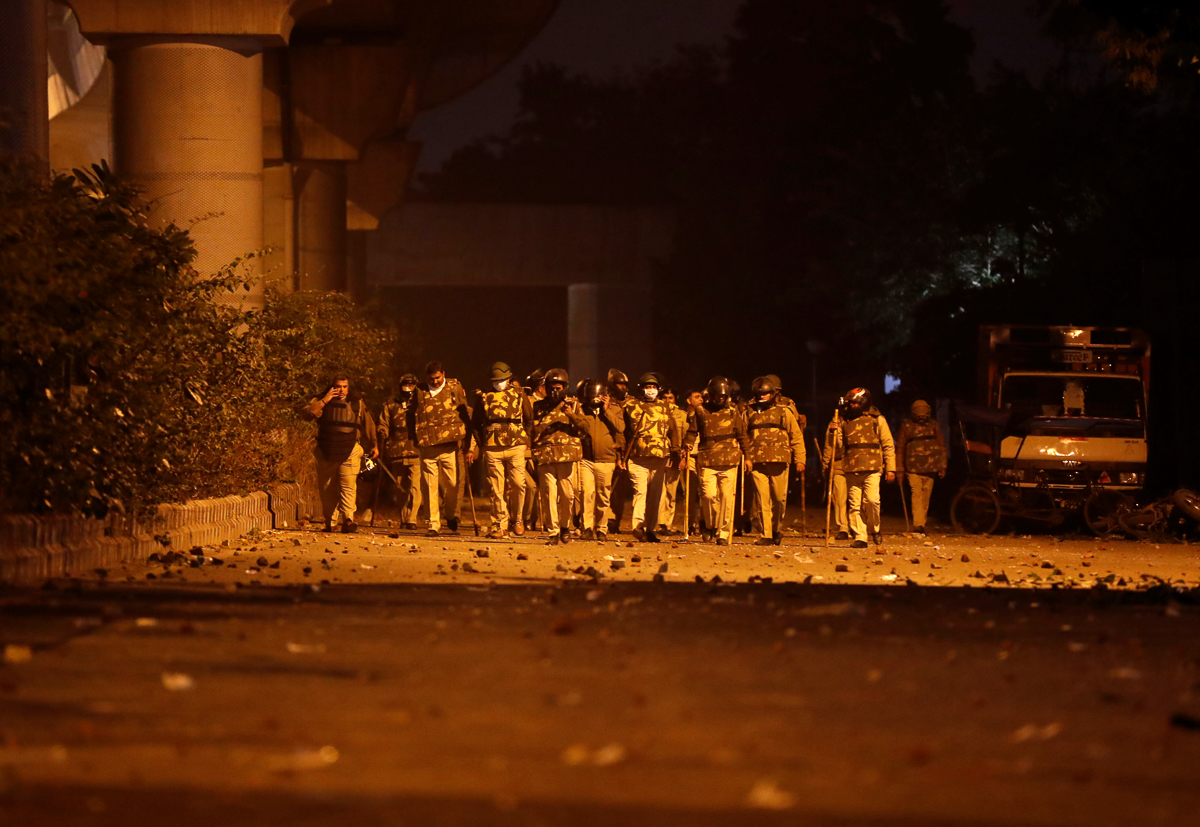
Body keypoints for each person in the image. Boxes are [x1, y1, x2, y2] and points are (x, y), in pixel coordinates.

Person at [305, 374, 377, 533]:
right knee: (327, 488)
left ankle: (348, 520)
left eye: (344, 387)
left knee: (348, 485)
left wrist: (375, 444)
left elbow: (369, 424)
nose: (341, 390)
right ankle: (330, 522)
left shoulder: (357, 403)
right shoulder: (320, 400)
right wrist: (325, 400)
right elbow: (309, 414)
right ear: (332, 387)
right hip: (326, 449)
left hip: (350, 448)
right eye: (338, 386)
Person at [409, 360, 473, 537]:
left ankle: (450, 514)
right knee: (429, 486)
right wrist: (413, 437)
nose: (435, 381)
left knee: (452, 484)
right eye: (431, 378)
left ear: (443, 374)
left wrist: (468, 440)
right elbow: (410, 415)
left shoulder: (454, 387)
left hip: (449, 445)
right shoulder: (419, 391)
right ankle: (433, 524)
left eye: (438, 378)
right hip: (427, 444)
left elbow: (464, 413)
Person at [686, 377, 750, 546]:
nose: (721, 399)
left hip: (729, 461)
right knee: (708, 496)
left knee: (727, 499)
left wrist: (748, 457)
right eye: (718, 396)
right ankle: (709, 525)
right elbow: (692, 431)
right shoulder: (701, 412)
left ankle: (724, 533)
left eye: (724, 396)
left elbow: (742, 436)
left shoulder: (733, 412)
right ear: (711, 395)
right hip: (708, 461)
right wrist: (687, 444)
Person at [473, 361, 533, 539]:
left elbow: (529, 418)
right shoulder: (484, 396)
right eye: (495, 381)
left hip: (516, 445)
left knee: (518, 484)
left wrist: (526, 439)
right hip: (493, 447)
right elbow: (476, 423)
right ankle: (500, 524)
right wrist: (482, 443)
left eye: (501, 380)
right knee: (496, 488)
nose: (498, 383)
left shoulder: (520, 394)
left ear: (509, 379)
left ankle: (518, 519)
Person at [622, 372, 683, 543]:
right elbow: (623, 431)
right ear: (641, 389)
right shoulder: (631, 406)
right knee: (640, 492)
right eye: (648, 387)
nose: (651, 390)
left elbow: (673, 430)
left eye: (654, 387)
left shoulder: (665, 407)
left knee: (655, 496)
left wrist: (676, 451)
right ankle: (638, 526)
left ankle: (650, 529)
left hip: (659, 457)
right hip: (638, 457)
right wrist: (621, 453)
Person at [830, 387, 895, 548]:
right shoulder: (844, 421)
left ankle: (875, 528)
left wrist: (891, 468)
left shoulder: (878, 420)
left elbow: (888, 445)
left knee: (872, 501)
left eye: (854, 403)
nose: (851, 406)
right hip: (851, 468)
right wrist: (834, 433)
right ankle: (860, 536)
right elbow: (838, 448)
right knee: (854, 505)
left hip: (872, 469)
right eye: (850, 403)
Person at [744, 376, 805, 546]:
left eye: (765, 393)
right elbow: (742, 435)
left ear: (773, 394)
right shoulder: (748, 412)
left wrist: (800, 459)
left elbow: (796, 436)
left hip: (779, 460)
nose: (762, 396)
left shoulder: (784, 411)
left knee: (779, 499)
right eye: (760, 394)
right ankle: (766, 534)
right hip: (757, 461)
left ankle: (776, 528)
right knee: (762, 499)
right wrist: (745, 457)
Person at [530, 369, 588, 543]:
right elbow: (531, 430)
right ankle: (553, 532)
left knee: (567, 495)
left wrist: (570, 414)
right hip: (546, 455)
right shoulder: (538, 407)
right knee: (548, 494)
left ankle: (564, 526)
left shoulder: (574, 405)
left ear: (565, 388)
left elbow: (585, 427)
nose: (555, 391)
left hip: (567, 456)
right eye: (551, 388)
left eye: (558, 388)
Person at [577, 377, 625, 541]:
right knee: (587, 493)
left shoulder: (615, 410)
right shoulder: (583, 410)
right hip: (586, 459)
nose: (595, 398)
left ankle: (602, 528)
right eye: (592, 395)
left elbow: (620, 428)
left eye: (599, 395)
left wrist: (606, 411)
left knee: (603, 496)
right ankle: (587, 527)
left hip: (606, 459)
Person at [376, 373, 423, 529]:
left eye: (411, 385)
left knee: (415, 486)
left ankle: (412, 519)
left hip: (416, 448)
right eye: (405, 385)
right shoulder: (391, 404)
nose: (407, 388)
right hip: (397, 450)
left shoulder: (421, 403)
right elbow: (383, 422)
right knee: (400, 486)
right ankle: (403, 517)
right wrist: (382, 432)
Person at [896, 399, 947, 534]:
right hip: (912, 468)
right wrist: (899, 469)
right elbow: (900, 448)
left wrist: (942, 466)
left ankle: (921, 523)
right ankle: (918, 524)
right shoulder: (907, 426)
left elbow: (941, 445)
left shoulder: (934, 425)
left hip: (931, 467)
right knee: (917, 494)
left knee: (925, 496)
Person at [657, 387, 690, 535]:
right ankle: (657, 522)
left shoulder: (682, 416)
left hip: (675, 457)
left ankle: (667, 524)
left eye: (670, 397)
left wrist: (683, 457)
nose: (667, 400)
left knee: (671, 492)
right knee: (658, 491)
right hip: (658, 456)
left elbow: (686, 438)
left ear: (675, 399)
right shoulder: (655, 412)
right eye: (664, 397)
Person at [606, 368, 633, 533]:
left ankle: (616, 520)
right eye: (620, 384)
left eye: (625, 384)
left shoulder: (631, 403)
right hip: (610, 447)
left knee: (620, 490)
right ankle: (606, 519)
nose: (623, 387)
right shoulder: (606, 402)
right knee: (607, 487)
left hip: (627, 449)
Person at [822, 407, 851, 540]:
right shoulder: (833, 423)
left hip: (855, 464)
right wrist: (826, 463)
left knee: (857, 499)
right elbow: (829, 446)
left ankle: (857, 526)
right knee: (839, 498)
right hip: (838, 465)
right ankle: (843, 527)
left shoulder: (858, 422)